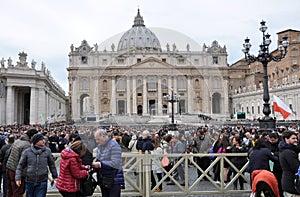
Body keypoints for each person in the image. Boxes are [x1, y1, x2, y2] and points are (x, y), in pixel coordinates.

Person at [6, 128, 38, 197]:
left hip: (9, 168)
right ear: (32, 137)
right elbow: (26, 161)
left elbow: (8, 153)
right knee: (18, 192)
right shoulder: (27, 145)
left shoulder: (17, 141)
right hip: (17, 171)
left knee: (10, 191)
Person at [92, 129, 123, 197]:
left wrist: (100, 164)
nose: (97, 141)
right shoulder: (100, 146)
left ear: (104, 136)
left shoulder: (114, 145)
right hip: (104, 179)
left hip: (114, 179)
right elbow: (99, 158)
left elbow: (115, 163)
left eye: (98, 139)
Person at [279, 131, 300, 196]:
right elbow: (296, 168)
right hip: (292, 184)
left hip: (287, 183)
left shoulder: (284, 150)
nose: (296, 140)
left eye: (296, 138)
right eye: (293, 138)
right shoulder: (289, 153)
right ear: (286, 139)